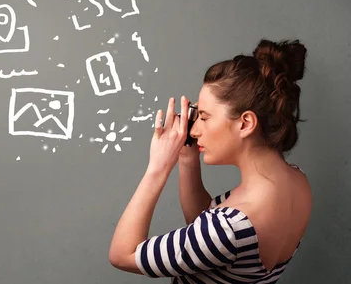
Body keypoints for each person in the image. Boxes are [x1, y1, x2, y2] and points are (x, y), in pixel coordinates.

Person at [108, 38, 312, 283]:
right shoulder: (298, 182)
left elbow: (122, 255)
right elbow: (204, 228)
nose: (194, 130)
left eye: (204, 117)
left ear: (245, 123)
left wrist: (158, 167)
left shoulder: (229, 228)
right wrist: (187, 157)